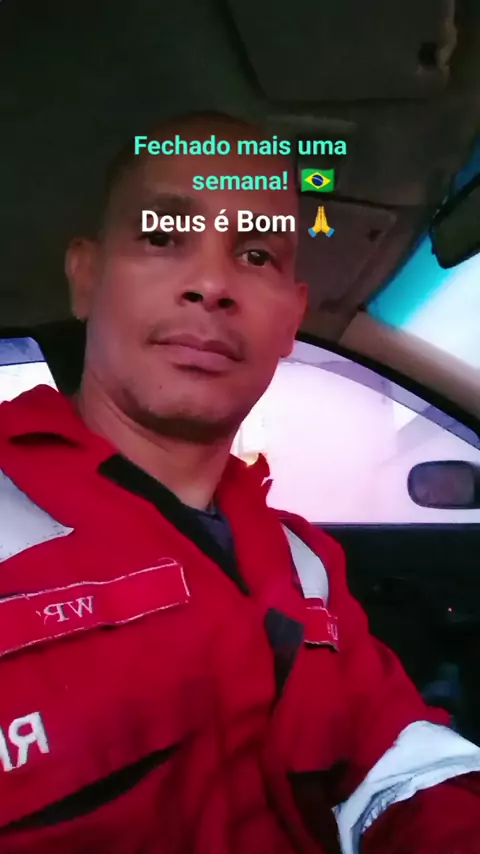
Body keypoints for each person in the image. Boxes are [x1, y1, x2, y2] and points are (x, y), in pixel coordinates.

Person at [0, 110, 479, 854]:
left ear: (291, 319)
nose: (211, 283)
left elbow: (398, 766)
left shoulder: (305, 563)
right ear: (86, 277)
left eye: (256, 253)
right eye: (162, 237)